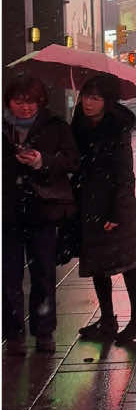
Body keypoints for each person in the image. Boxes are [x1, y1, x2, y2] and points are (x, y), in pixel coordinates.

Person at [2, 77, 78, 355]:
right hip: (7, 212)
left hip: (41, 211)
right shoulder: (3, 128)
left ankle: (44, 331)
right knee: (8, 276)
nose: (25, 107)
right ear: (8, 101)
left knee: (43, 273)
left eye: (31, 101)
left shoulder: (55, 126)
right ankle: (13, 334)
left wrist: (42, 161)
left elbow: (72, 160)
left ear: (41, 102)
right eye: (19, 101)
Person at [72, 75, 136, 343]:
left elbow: (124, 175)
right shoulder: (79, 125)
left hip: (115, 206)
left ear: (107, 101)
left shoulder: (116, 128)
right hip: (89, 204)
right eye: (85, 96)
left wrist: (116, 213)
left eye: (95, 98)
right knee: (97, 265)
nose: (88, 103)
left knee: (126, 262)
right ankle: (107, 320)